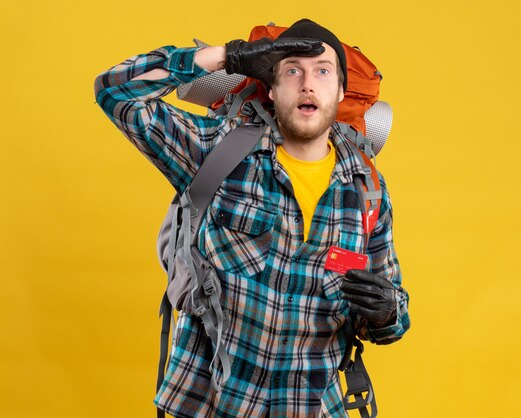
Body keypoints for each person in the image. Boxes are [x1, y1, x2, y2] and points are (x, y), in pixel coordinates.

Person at [95, 18, 410, 418]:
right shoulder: (217, 152)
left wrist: (386, 310)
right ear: (273, 89)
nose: (307, 84)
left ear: (341, 90)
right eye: (292, 70)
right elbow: (115, 90)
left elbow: (391, 320)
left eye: (323, 71)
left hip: (314, 408)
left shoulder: (368, 193)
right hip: (212, 404)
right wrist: (228, 56)